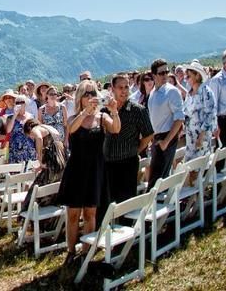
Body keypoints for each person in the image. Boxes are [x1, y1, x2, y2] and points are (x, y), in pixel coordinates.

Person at [60, 80, 120, 262]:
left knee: (90, 213)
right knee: (72, 214)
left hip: (95, 169)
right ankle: (71, 250)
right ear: (80, 97)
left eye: (93, 93)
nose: (90, 97)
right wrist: (85, 112)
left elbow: (116, 129)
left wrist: (114, 110)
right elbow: (71, 129)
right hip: (77, 169)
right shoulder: (74, 117)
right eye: (86, 94)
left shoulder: (101, 118)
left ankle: (87, 251)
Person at [102, 73, 153, 205]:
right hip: (107, 163)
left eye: (126, 87)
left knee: (126, 202)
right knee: (107, 202)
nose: (124, 91)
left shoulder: (138, 111)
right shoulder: (104, 111)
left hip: (127, 162)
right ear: (112, 89)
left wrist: (137, 149)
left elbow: (148, 134)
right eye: (120, 87)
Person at [146, 59, 184, 189]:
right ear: (154, 75)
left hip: (167, 136)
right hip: (157, 138)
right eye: (161, 73)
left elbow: (179, 118)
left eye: (166, 72)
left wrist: (166, 141)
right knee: (156, 179)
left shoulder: (171, 92)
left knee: (157, 182)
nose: (165, 75)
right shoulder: (152, 93)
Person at [183, 62, 216, 162]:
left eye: (188, 76)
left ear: (197, 75)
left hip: (201, 136)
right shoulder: (189, 93)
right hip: (190, 136)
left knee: (198, 166)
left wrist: (201, 137)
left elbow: (210, 115)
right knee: (189, 166)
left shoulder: (206, 92)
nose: (186, 79)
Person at [23, 119, 66, 185]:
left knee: (40, 185)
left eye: (29, 135)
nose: (31, 137)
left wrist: (39, 158)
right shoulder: (45, 127)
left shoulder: (34, 129)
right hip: (60, 154)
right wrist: (40, 166)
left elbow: (39, 138)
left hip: (54, 155)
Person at [5, 96, 37, 168]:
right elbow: (8, 130)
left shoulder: (31, 116)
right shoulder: (10, 117)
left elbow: (35, 133)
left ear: (25, 104)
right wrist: (15, 115)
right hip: (15, 150)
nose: (19, 104)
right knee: (15, 173)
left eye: (22, 102)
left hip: (29, 149)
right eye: (17, 103)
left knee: (29, 173)